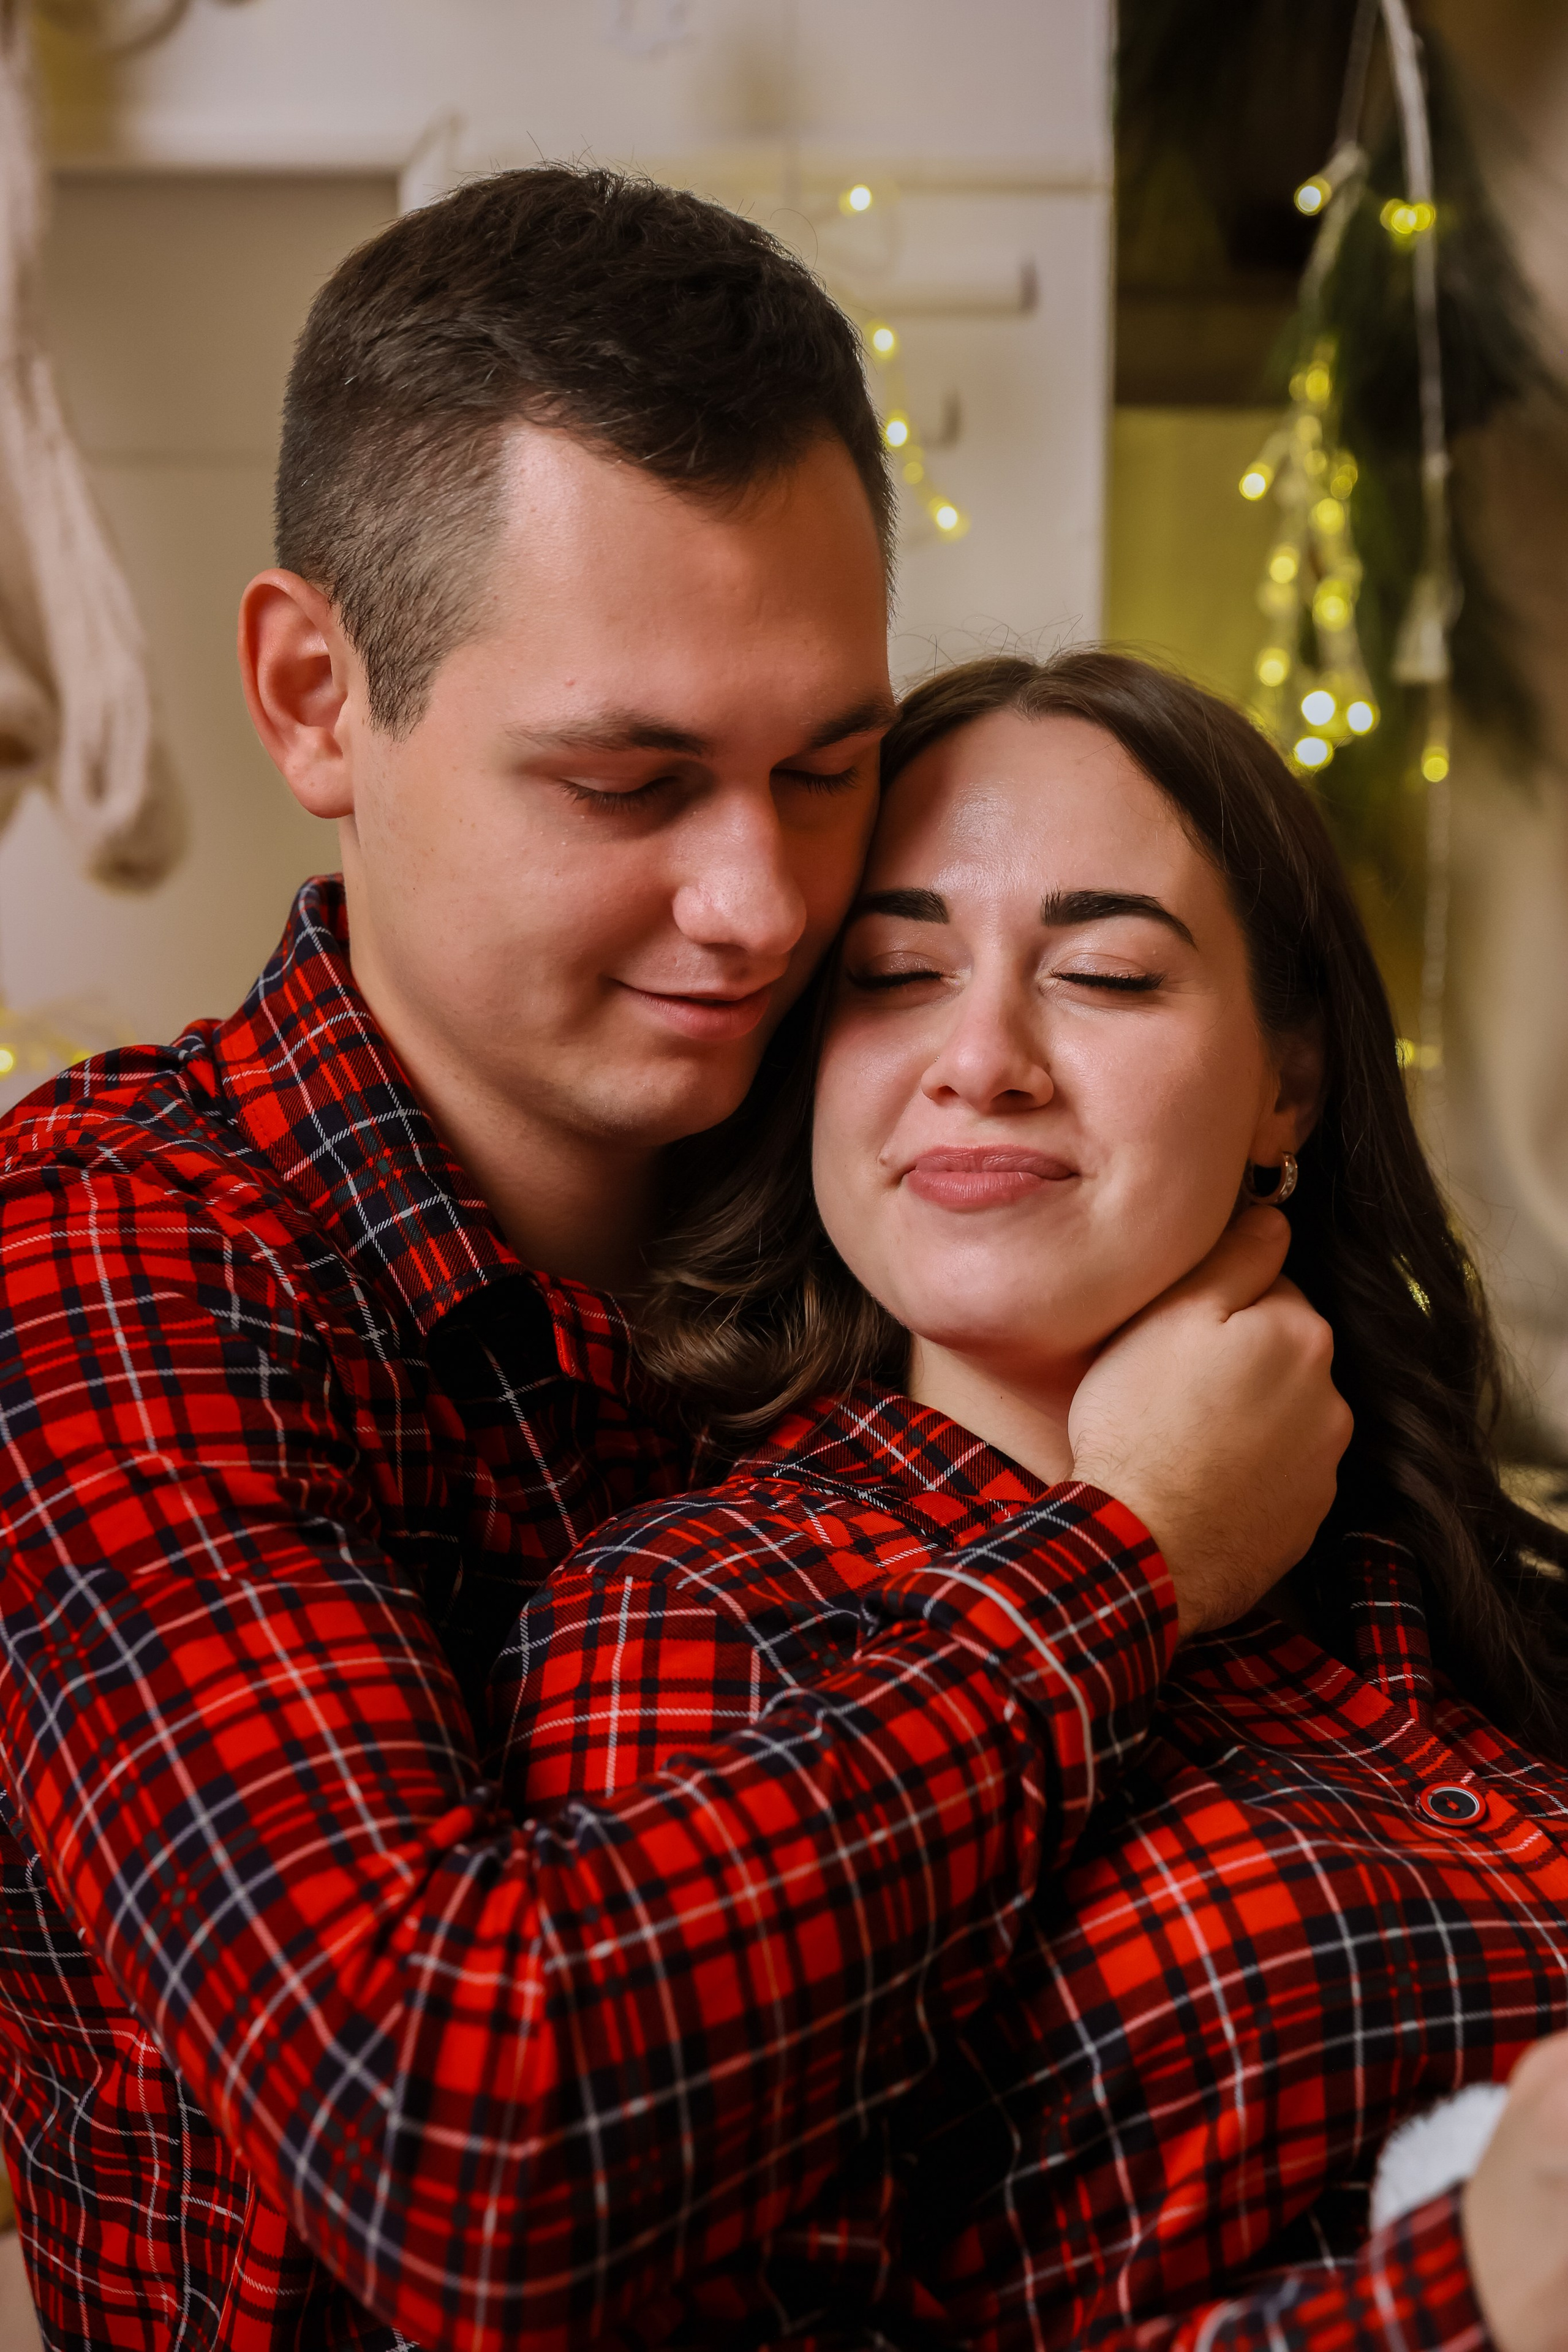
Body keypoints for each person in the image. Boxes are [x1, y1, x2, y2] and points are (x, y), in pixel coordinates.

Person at [0, 174, 1348, 2349]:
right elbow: (454, 2135)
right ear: (319, 695)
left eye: (827, 768)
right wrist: (1132, 1558)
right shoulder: (108, 1255)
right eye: (631, 783)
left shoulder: (916, 1168)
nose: (764, 905)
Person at [497, 650, 1568, 2352]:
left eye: (1106, 975)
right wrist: (1466, 2296)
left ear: (1288, 1080)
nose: (982, 1058)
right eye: (896, 975)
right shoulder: (702, 1612)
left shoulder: (1428, 1566)